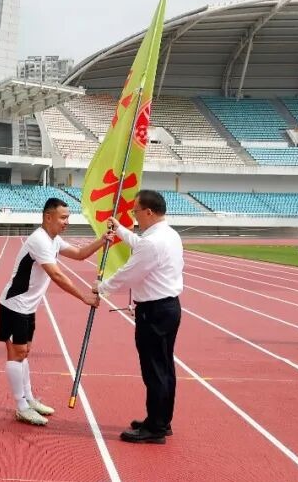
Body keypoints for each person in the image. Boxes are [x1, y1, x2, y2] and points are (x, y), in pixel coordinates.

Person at [0, 198, 107, 427]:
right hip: (14, 305)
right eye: (63, 217)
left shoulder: (53, 240)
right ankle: (21, 406)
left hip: (28, 306)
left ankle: (28, 399)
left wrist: (102, 241)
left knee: (25, 351)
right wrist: (84, 297)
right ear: (48, 217)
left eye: (68, 217)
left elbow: (78, 253)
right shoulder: (39, 240)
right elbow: (57, 276)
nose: (67, 222)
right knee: (17, 353)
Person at [97, 190, 184, 444]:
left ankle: (155, 429)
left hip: (154, 312)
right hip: (169, 308)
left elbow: (129, 274)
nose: (135, 216)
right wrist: (121, 229)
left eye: (136, 212)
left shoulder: (154, 242)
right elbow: (140, 245)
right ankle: (160, 420)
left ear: (148, 212)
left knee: (154, 370)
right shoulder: (168, 234)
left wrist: (101, 287)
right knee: (165, 368)